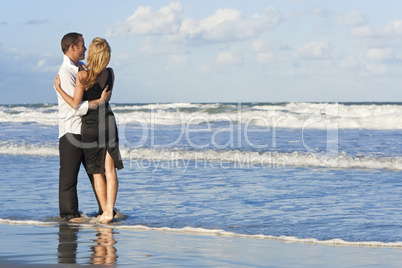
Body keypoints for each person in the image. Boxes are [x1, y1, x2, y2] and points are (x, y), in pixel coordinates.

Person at [55, 37, 123, 224]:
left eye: (87, 47)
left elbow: (76, 104)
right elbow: (105, 98)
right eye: (82, 45)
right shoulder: (110, 73)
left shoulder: (82, 75)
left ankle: (104, 213)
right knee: (109, 170)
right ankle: (108, 211)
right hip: (108, 121)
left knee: (96, 171)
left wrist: (59, 89)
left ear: (92, 53)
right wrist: (101, 100)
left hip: (90, 126)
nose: (84, 49)